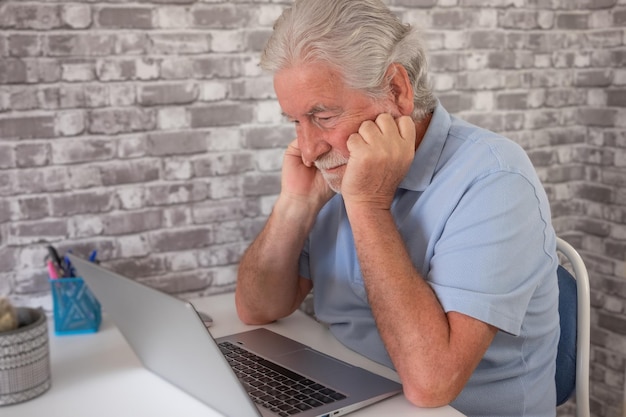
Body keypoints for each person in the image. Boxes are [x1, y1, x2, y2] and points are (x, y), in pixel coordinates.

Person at [235, 1, 560, 416]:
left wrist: (368, 206)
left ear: (396, 90)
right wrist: (295, 204)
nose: (309, 147)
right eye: (295, 121)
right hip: (353, 390)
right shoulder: (333, 166)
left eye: (324, 115)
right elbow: (257, 308)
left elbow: (431, 384)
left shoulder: (495, 179)